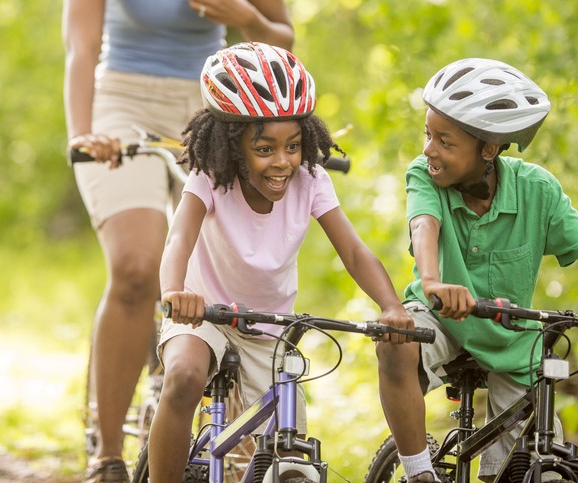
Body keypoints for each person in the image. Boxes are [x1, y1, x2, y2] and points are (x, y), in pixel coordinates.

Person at [375, 57, 578, 483]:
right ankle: (418, 471)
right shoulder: (424, 175)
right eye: (428, 135)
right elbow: (424, 224)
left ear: (489, 150)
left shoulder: (537, 190)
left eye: (444, 141)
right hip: (440, 316)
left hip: (513, 339)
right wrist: (432, 282)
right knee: (396, 341)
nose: (429, 150)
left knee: (542, 461)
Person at [151, 42, 414, 483]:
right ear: (233, 146)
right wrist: (175, 293)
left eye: (293, 146)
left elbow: (352, 250)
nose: (282, 161)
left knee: (287, 445)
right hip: (203, 315)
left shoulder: (311, 179)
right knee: (182, 376)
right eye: (265, 148)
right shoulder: (210, 177)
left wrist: (391, 306)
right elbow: (179, 237)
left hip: (268, 327)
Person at [62, 1, 294, 481]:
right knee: (135, 267)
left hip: (217, 98)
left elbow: (282, 42)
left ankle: (234, 443)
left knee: (229, 267)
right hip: (122, 99)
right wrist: (84, 134)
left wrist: (242, 17)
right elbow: (81, 47)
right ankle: (107, 453)